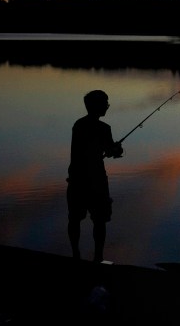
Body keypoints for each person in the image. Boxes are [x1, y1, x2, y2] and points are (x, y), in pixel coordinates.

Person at [67, 89, 124, 263]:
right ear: (97, 106)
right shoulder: (104, 128)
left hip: (76, 179)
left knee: (75, 219)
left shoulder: (79, 124)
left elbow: (103, 149)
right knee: (99, 221)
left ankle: (75, 254)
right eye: (105, 103)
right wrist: (116, 149)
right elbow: (110, 151)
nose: (107, 106)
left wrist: (112, 149)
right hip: (96, 181)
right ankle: (98, 257)